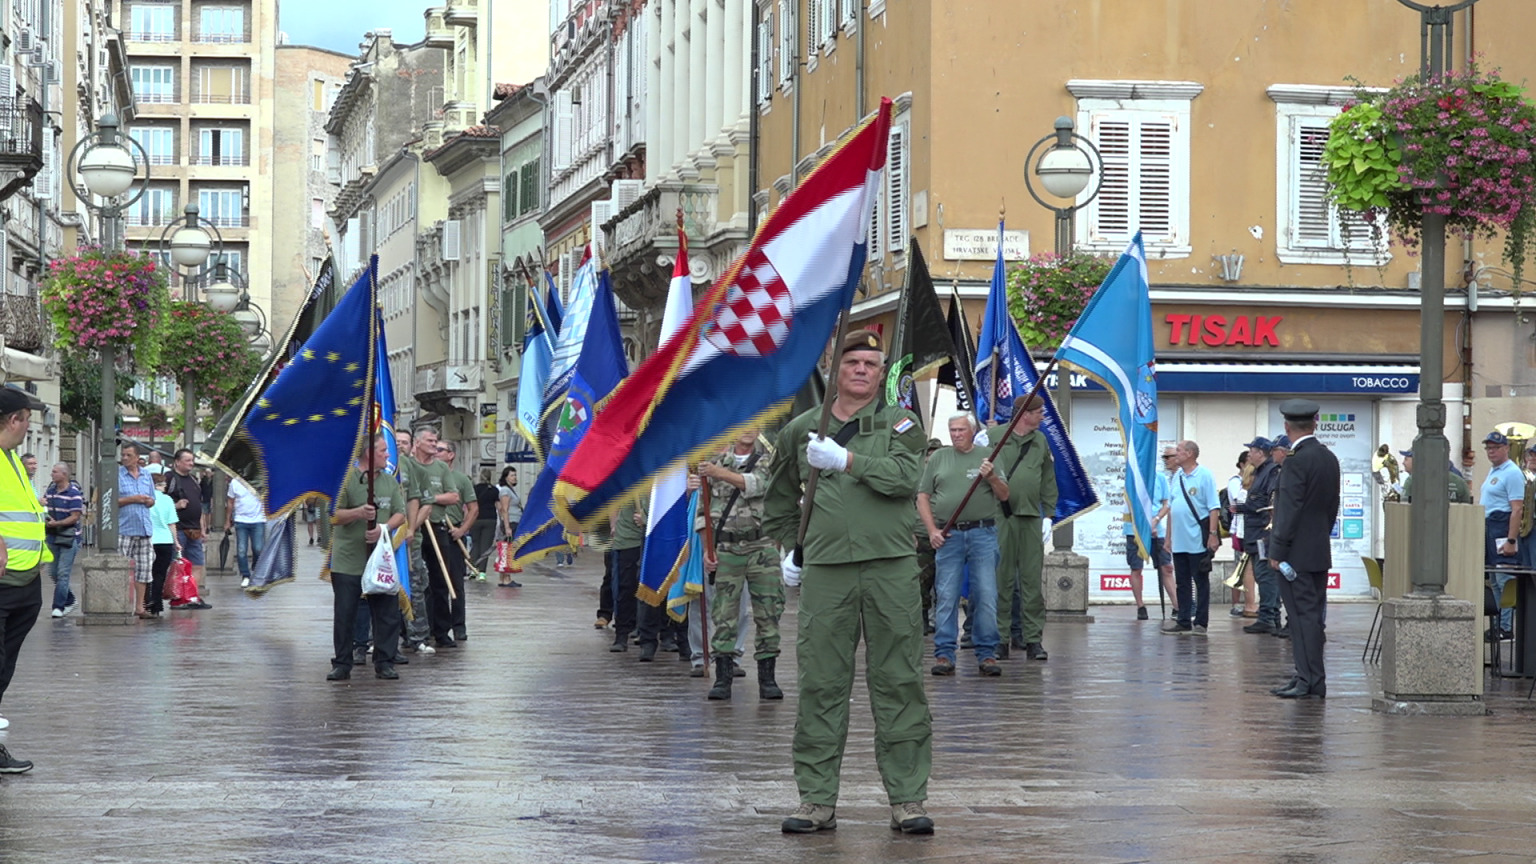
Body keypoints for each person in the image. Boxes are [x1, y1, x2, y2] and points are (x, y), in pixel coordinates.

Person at [763, 329, 933, 836]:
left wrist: (847, 460)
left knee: (899, 682)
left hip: (892, 567)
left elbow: (905, 480)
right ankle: (816, 800)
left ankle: (907, 800)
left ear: (882, 375)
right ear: (836, 369)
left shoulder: (901, 423)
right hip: (827, 573)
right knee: (820, 685)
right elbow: (776, 500)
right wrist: (790, 549)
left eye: (871, 364)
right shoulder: (799, 431)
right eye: (852, 361)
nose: (861, 370)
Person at [919, 413, 1006, 676]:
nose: (956, 434)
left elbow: (1004, 495)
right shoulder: (938, 458)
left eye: (960, 430)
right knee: (946, 595)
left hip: (983, 533)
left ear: (971, 431)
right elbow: (922, 496)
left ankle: (987, 653)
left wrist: (991, 477)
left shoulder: (988, 456)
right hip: (949, 535)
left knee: (986, 595)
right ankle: (944, 653)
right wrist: (932, 530)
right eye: (952, 430)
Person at [698, 428, 781, 700]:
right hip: (726, 549)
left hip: (762, 547)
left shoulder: (769, 460)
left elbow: (756, 484)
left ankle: (767, 678)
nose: (749, 430)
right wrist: (706, 551)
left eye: (755, 424)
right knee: (724, 613)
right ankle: (723, 677)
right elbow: (703, 513)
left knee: (768, 612)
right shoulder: (714, 464)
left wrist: (716, 473)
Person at [1268, 399, 1341, 699]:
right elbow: (1331, 507)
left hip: (1295, 554)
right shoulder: (1328, 457)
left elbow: (1288, 509)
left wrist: (1277, 551)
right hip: (1317, 550)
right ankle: (1310, 677)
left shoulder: (1296, 460)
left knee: (1301, 619)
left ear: (1287, 427)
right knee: (1311, 617)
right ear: (1316, 423)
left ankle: (1308, 679)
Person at [327, 433, 408, 681]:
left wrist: (383, 528)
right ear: (368, 454)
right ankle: (342, 662)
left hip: (380, 560)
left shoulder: (389, 482)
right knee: (346, 613)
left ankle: (384, 661)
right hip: (348, 560)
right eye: (383, 450)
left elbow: (400, 514)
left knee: (386, 612)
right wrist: (358, 513)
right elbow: (332, 516)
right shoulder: (345, 480)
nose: (387, 455)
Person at [0, 387, 50, 759]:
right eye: (27, 421)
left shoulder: (13, 460)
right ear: (15, 419)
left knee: (4, 669)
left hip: (24, 581)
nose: (27, 428)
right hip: (2, 582)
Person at [994, 394, 1057, 661]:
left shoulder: (1040, 441)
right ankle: (999, 639)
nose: (1042, 416)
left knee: (1032, 581)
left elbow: (1047, 480)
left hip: (1031, 517)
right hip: (999, 517)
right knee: (1001, 580)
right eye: (1038, 412)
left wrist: (1048, 515)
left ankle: (1033, 640)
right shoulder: (993, 438)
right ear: (1024, 415)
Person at [407, 428, 462, 649]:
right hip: (414, 528)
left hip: (437, 527)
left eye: (436, 441)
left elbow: (453, 496)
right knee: (415, 581)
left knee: (441, 581)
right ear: (417, 443)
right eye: (430, 441)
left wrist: (428, 498)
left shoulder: (440, 468)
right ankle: (416, 628)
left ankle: (442, 631)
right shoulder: (408, 465)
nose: (434, 444)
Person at [1164, 440, 1220, 636]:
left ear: (1189, 453)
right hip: (1179, 540)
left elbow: (1213, 507)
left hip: (1197, 538)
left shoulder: (1204, 475)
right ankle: (1183, 619)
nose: (1175, 454)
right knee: (1182, 582)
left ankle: (1201, 622)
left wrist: (1212, 535)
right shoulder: (1177, 476)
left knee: (1200, 580)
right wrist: (1168, 538)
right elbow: (1172, 509)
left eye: (1178, 451)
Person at [1480, 430, 1525, 641]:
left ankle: (1506, 627)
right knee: (1495, 581)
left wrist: (1511, 539)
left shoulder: (1512, 472)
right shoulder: (1494, 471)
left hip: (1501, 526)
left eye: (1495, 448)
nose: (1491, 452)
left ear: (1506, 448)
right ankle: (1499, 624)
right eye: (1488, 448)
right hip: (1490, 527)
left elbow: (1517, 509)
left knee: (1505, 578)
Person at [1237, 438, 1284, 636]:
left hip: (1263, 533)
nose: (1249, 455)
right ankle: (1270, 616)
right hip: (1255, 531)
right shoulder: (1260, 472)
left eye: (1253, 451)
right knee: (1261, 573)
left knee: (1265, 575)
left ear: (1262, 453)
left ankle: (1268, 617)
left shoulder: (1271, 472)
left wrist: (1242, 508)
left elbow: (1267, 503)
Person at [435, 440, 478, 638]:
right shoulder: (427, 475)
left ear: (451, 455)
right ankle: (437, 626)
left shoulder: (461, 479)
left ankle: (459, 626)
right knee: (434, 583)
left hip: (452, 533)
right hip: (432, 531)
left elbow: (473, 508)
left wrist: (462, 530)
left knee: (456, 584)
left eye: (440, 449)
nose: (435, 452)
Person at [1122, 466, 1171, 621]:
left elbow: (1166, 504)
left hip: (1157, 530)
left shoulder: (1160, 477)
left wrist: (1155, 521)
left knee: (1166, 567)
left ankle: (1177, 606)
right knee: (1136, 568)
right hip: (1134, 530)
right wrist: (1144, 526)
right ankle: (1140, 606)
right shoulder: (1131, 477)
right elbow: (1131, 503)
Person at [116, 443, 158, 615]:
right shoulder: (117, 475)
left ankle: (140, 607)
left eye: (128, 455)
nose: (125, 458)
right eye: (123, 455)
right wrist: (133, 499)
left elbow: (153, 499)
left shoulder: (146, 475)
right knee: (121, 569)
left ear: (137, 458)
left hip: (144, 529)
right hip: (124, 528)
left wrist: (149, 501)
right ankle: (122, 604)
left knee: (145, 569)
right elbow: (111, 501)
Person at [43, 462, 84, 618]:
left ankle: (58, 607)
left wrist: (57, 523)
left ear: (64, 475)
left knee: (63, 573)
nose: (51, 474)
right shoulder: (50, 491)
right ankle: (70, 600)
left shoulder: (73, 493)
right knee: (53, 572)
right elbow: (46, 508)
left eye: (55, 472)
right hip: (53, 536)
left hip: (69, 537)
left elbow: (75, 516)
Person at [165, 449, 207, 592]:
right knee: (178, 564)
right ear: (177, 462)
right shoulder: (170, 478)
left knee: (197, 564)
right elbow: (159, 502)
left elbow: (199, 505)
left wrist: (203, 529)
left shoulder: (194, 480)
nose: (191, 463)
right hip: (178, 529)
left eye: (192, 460)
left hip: (194, 529)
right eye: (187, 460)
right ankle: (177, 596)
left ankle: (191, 595)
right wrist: (176, 506)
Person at [608, 499, 645, 652]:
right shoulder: (625, 478)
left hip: (653, 537)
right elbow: (613, 501)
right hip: (627, 540)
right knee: (626, 587)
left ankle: (650, 634)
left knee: (652, 588)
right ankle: (621, 634)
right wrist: (613, 525)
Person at [1226, 450, 1257, 618]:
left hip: (1248, 529)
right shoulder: (1235, 482)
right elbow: (1238, 501)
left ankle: (1249, 602)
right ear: (1242, 464)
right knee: (1240, 567)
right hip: (1239, 528)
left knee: (1249, 568)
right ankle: (1236, 603)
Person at [146, 472, 180, 616]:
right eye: (164, 485)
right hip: (165, 540)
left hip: (149, 540)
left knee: (146, 574)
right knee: (160, 574)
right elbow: (171, 523)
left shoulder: (146, 499)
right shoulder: (167, 500)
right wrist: (176, 542)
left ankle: (146, 602)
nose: (165, 488)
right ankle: (157, 604)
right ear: (159, 485)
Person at [226, 478, 267, 589]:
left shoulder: (261, 481)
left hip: (258, 520)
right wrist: (227, 520)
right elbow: (230, 501)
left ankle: (255, 566)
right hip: (241, 520)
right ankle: (245, 575)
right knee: (241, 550)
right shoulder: (234, 482)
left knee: (258, 548)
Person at [495, 467, 523, 587]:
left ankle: (503, 577)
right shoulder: (505, 491)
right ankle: (507, 577)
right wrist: (507, 527)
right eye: (512, 475)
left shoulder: (510, 490)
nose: (515, 477)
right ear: (506, 477)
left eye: (515, 475)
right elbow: (504, 509)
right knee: (508, 549)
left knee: (506, 549)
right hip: (510, 522)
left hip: (513, 521)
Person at [471, 469, 500, 580]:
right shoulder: (494, 490)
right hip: (490, 520)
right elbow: (499, 507)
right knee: (485, 546)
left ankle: (473, 569)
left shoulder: (475, 489)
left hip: (476, 518)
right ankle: (482, 572)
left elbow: (471, 504)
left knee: (475, 544)